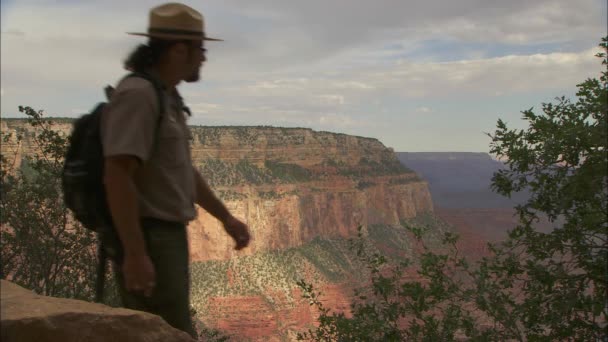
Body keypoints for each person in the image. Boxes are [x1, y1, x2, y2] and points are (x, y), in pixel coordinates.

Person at [100, 3, 251, 338]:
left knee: (170, 331)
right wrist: (136, 254)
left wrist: (226, 218)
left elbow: (182, 172)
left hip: (166, 237)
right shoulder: (139, 95)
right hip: (149, 237)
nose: (204, 58)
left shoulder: (167, 97)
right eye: (201, 49)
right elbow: (117, 174)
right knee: (170, 333)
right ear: (179, 50)